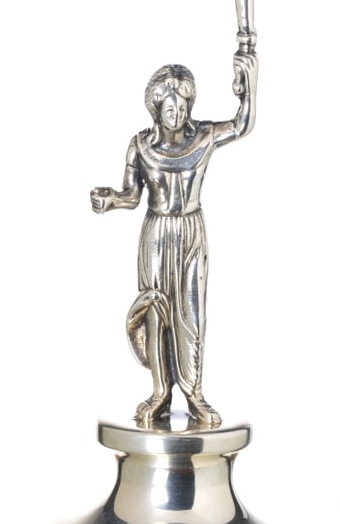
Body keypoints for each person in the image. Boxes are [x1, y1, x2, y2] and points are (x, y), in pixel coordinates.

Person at [90, 51, 258, 427]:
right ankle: (159, 392)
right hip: (156, 234)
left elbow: (242, 124)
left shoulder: (204, 138)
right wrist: (111, 199)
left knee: (191, 314)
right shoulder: (141, 146)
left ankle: (194, 393)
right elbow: (131, 196)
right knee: (157, 310)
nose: (177, 115)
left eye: (183, 107)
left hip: (191, 234)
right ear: (156, 109)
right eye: (170, 109)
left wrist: (249, 83)